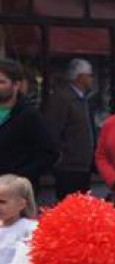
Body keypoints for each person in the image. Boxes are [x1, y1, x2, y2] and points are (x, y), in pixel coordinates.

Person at [0, 59, 58, 193]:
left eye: (2, 82)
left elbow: (49, 153)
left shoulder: (29, 116)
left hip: (15, 192)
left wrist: (19, 177)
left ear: (16, 85)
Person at [44, 58, 96, 201]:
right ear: (80, 77)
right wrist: (61, 155)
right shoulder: (63, 99)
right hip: (68, 166)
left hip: (84, 165)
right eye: (90, 75)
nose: (92, 79)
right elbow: (53, 130)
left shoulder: (84, 99)